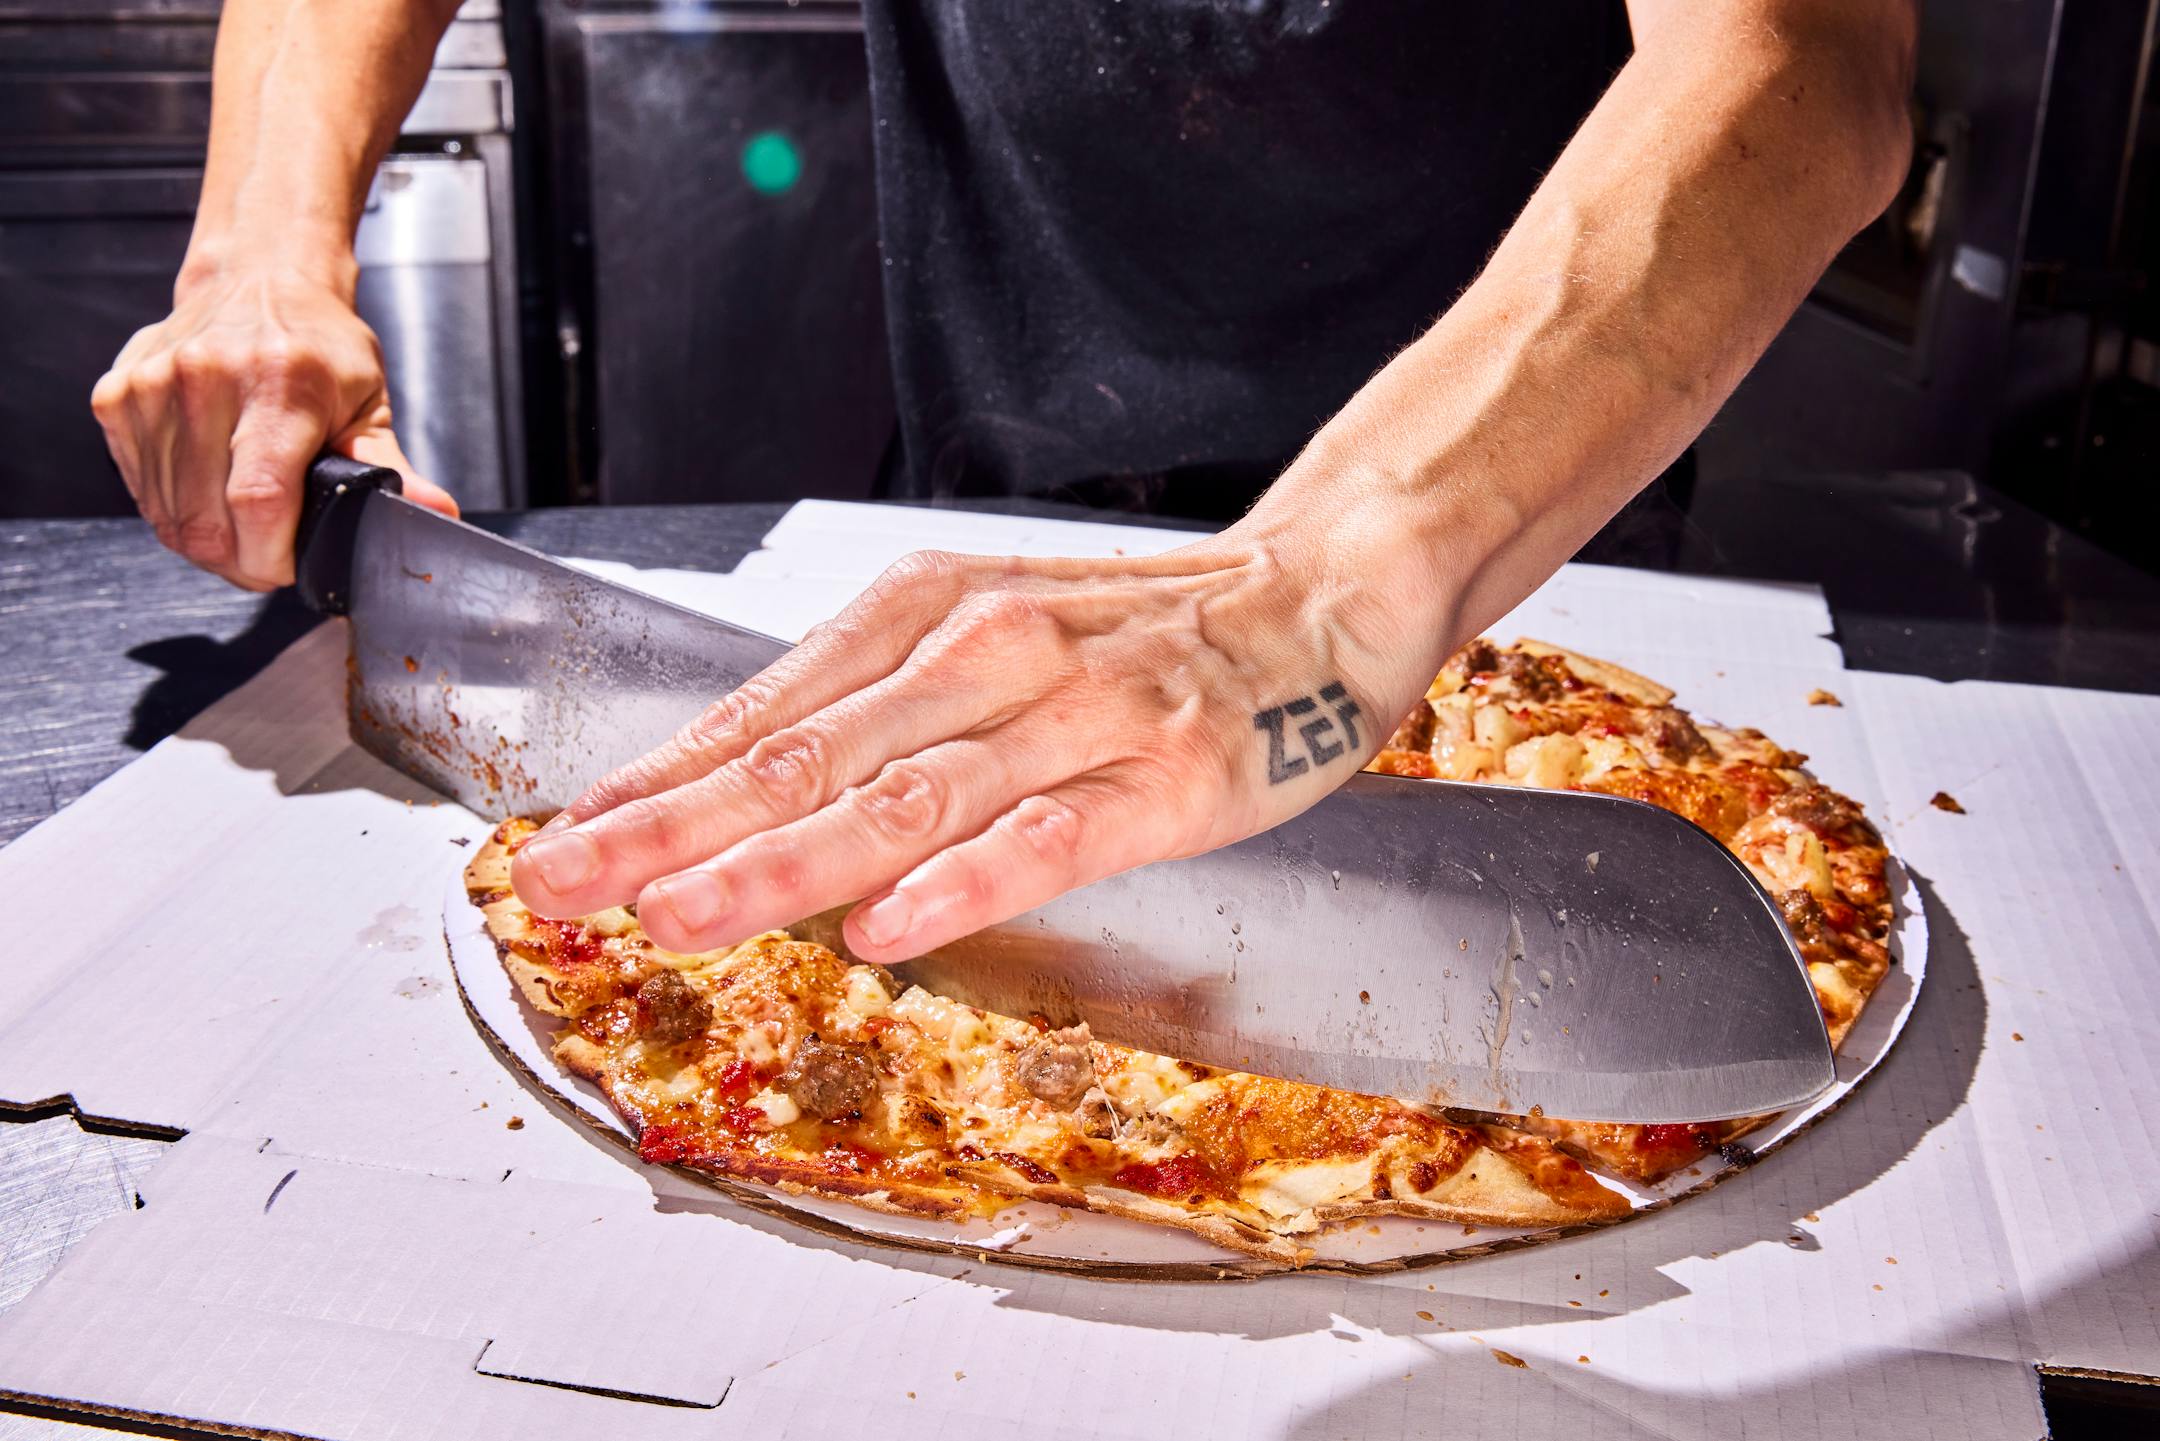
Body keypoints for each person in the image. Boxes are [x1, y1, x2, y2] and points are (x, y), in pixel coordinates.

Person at [93, 1, 1915, 965]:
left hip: (1512, 536)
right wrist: (258, 241)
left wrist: (1340, 579)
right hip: (983, 528)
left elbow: (1800, 60)